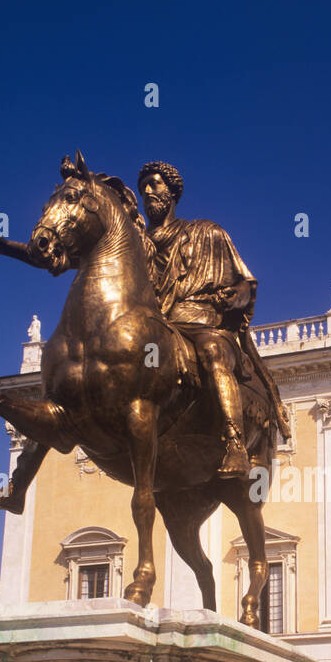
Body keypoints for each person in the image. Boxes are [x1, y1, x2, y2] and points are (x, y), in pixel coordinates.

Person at [136, 160, 289, 478]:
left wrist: (237, 296)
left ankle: (234, 442)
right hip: (157, 327)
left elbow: (246, 282)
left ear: (173, 192)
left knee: (213, 354)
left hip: (202, 323)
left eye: (156, 183)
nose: (149, 190)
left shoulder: (208, 232)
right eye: (144, 187)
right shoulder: (138, 245)